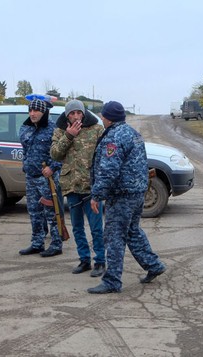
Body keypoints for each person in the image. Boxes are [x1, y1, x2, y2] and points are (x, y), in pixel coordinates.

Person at [87, 101, 166, 294]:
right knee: (132, 232)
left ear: (109, 117)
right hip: (137, 193)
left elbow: (109, 170)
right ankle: (153, 265)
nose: (102, 118)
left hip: (122, 195)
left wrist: (96, 195)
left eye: (103, 115)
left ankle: (112, 281)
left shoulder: (113, 137)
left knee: (114, 236)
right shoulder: (132, 133)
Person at [50, 100, 106, 277]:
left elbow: (105, 155)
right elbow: (55, 155)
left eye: (78, 113)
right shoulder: (60, 131)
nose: (75, 116)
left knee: (96, 227)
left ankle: (100, 261)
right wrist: (68, 136)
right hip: (71, 186)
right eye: (72, 113)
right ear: (67, 115)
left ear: (83, 113)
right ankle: (84, 260)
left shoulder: (96, 129)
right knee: (77, 227)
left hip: (91, 187)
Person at [18, 98, 64, 257]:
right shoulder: (26, 128)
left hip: (47, 180)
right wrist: (26, 165)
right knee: (34, 212)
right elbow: (25, 150)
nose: (32, 113)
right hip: (31, 177)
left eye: (36, 110)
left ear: (44, 112)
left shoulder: (54, 129)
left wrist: (52, 167)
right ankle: (37, 243)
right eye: (30, 110)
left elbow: (62, 153)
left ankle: (56, 244)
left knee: (52, 212)